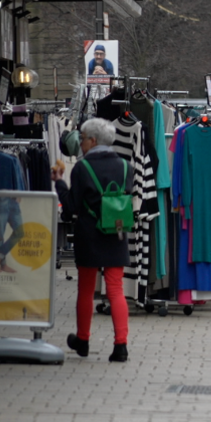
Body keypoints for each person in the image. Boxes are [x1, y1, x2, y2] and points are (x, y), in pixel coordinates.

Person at [52, 118, 135, 362]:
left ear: (93, 140)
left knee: (86, 290)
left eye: (83, 137)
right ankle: (121, 346)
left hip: (89, 234)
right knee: (116, 290)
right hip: (116, 231)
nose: (81, 142)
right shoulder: (125, 166)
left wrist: (59, 183)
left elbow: (69, 209)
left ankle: (83, 341)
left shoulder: (82, 168)